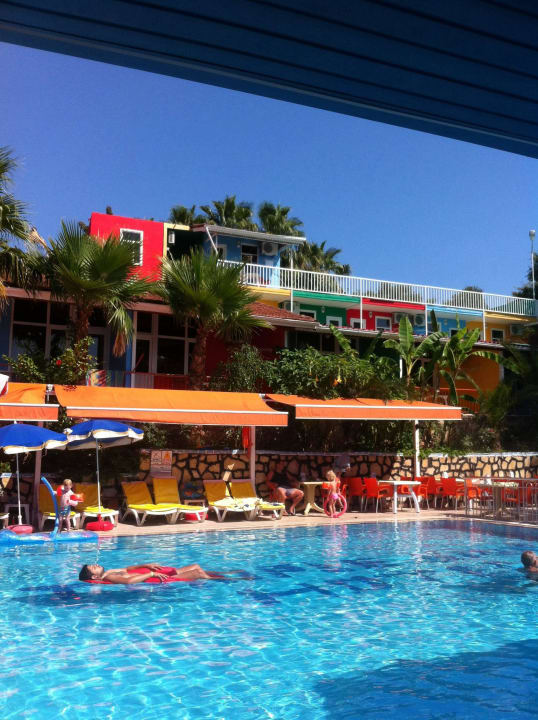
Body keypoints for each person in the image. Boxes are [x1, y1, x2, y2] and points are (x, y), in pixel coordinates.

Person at [79, 562, 226, 584]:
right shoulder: (110, 577)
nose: (96, 565)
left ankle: (228, 573)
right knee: (197, 573)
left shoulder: (110, 571)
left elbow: (127, 570)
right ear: (95, 576)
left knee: (196, 566)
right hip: (155, 580)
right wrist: (151, 574)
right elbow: (129, 581)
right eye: (93, 568)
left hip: (154, 574)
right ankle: (227, 580)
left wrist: (146, 565)